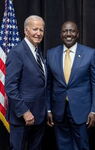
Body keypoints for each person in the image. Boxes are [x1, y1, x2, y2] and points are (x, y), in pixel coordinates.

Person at [46, 21, 95, 150]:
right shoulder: (51, 54)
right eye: (65, 31)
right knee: (63, 145)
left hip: (82, 111)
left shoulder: (90, 53)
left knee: (82, 145)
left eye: (71, 31)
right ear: (61, 34)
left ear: (77, 34)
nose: (68, 34)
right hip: (58, 110)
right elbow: (48, 84)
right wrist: (48, 109)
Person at [5, 15, 46, 150]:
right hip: (23, 117)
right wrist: (25, 112)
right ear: (26, 31)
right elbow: (11, 87)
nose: (38, 33)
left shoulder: (38, 52)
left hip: (39, 115)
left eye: (41, 30)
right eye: (35, 29)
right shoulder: (17, 52)